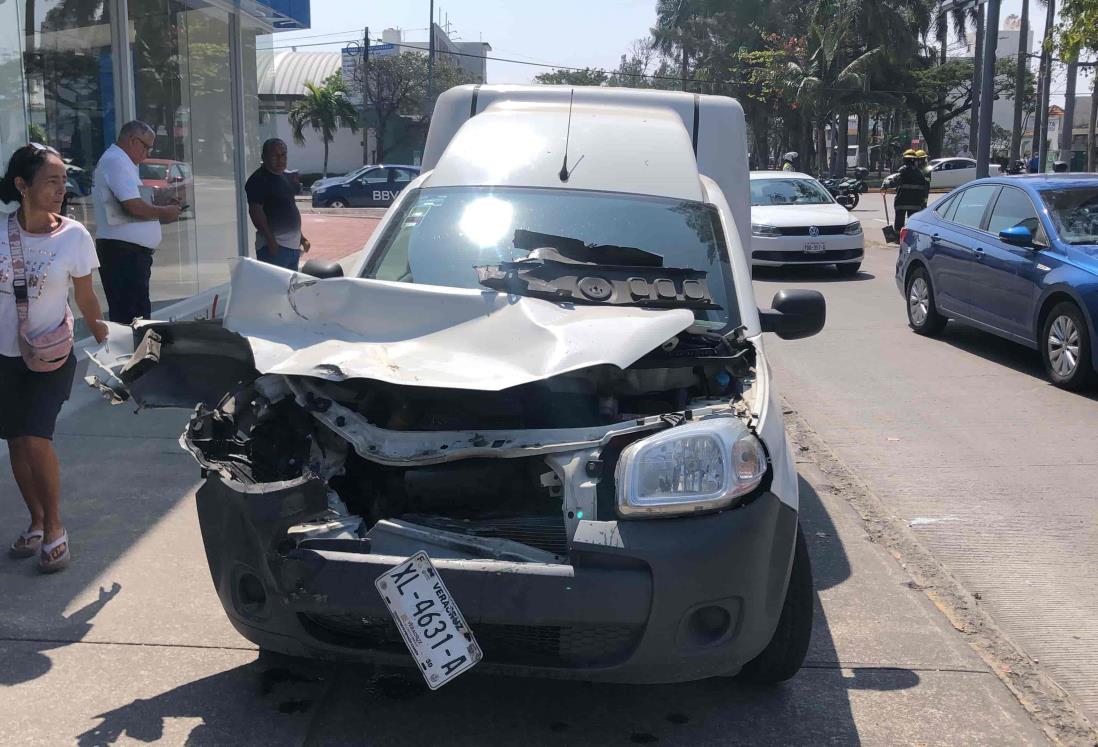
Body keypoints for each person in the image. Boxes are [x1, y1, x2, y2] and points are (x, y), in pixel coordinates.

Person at [1, 143, 108, 573]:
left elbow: (85, 296)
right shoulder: (1, 234)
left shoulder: (74, 236)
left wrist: (106, 336)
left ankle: (56, 528)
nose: (62, 188)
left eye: (64, 180)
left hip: (50, 355)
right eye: (51, 180)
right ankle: (37, 520)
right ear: (22, 185)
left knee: (36, 437)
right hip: (4, 356)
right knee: (14, 441)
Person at [93, 121, 181, 325]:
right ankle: (135, 356)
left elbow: (133, 203)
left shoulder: (122, 162)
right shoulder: (117, 161)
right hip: (123, 254)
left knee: (136, 315)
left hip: (129, 253)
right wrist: (164, 213)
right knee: (132, 320)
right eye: (146, 146)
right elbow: (133, 206)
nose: (148, 153)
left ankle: (138, 355)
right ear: (132, 140)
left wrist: (159, 204)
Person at [245, 139, 310, 271]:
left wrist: (301, 238)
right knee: (275, 290)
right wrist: (271, 242)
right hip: (274, 250)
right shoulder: (258, 180)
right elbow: (256, 213)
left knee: (290, 290)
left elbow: (289, 209)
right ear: (264, 157)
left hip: (293, 248)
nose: (280, 160)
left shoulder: (285, 177)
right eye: (275, 155)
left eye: (283, 155)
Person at [890, 149, 928, 233]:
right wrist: (923, 203)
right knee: (912, 223)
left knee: (899, 221)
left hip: (901, 202)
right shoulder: (920, 173)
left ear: (905, 159)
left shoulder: (902, 171)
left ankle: (897, 237)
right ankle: (911, 237)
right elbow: (924, 189)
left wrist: (886, 185)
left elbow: (894, 182)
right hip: (915, 203)